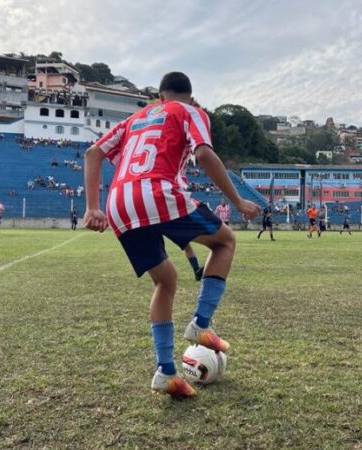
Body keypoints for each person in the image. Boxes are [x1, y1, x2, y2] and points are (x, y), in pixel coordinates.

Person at [82, 71, 260, 399]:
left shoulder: (133, 120)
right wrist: (238, 201)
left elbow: (93, 153)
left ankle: (165, 372)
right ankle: (201, 324)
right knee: (225, 241)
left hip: (118, 203)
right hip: (157, 192)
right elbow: (204, 154)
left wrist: (93, 207)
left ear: (160, 96)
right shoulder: (190, 111)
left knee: (165, 281)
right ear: (189, 98)